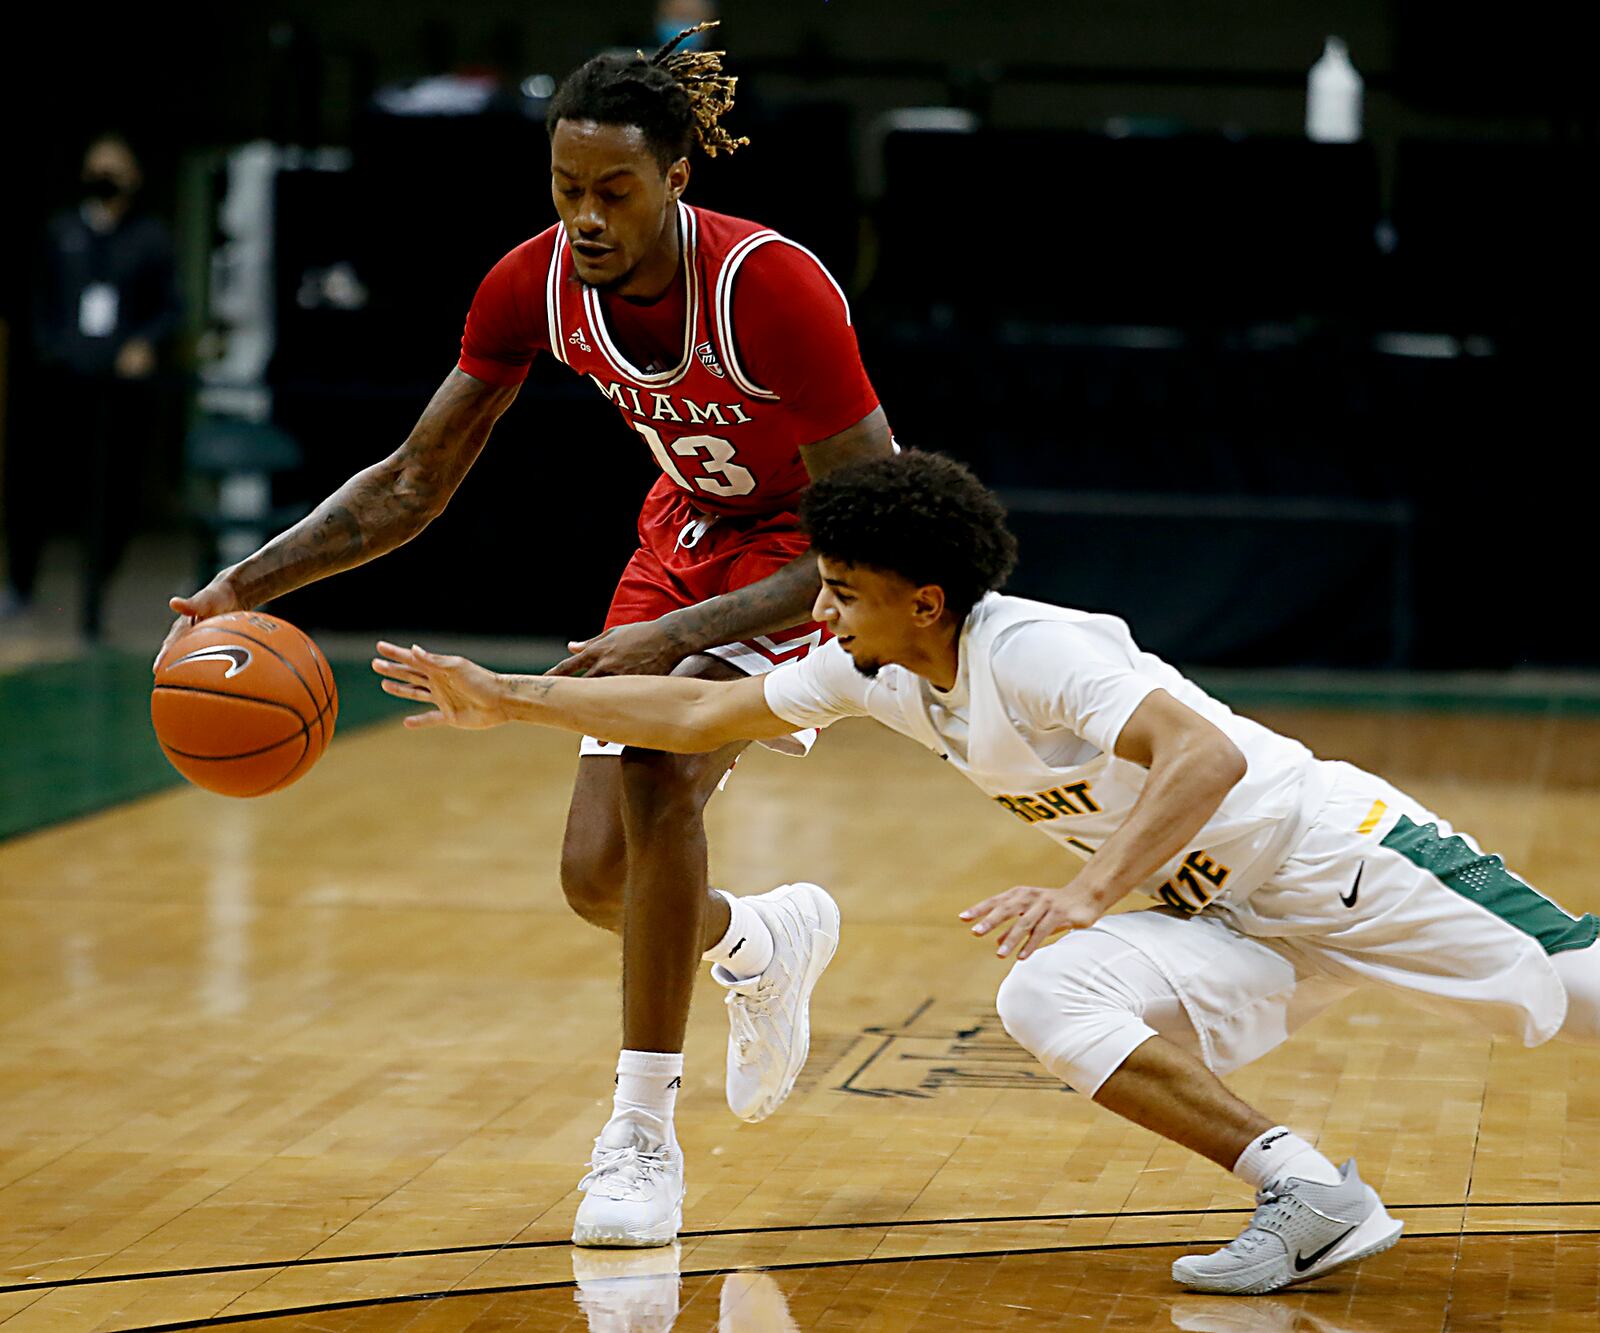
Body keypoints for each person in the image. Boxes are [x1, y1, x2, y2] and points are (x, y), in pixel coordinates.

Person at [372, 450, 1600, 1295]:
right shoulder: (880, 669)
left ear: (926, 597)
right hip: (1226, 913)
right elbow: (709, 716)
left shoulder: (1040, 649)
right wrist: (514, 696)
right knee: (1046, 998)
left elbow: (1203, 755)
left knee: (1582, 992)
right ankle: (1306, 1192)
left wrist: (1081, 892)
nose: (828, 615)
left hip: (1336, 858)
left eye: (845, 594)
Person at [159, 23, 893, 1248]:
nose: (587, 218)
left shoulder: (770, 285)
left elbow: (872, 531)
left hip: (803, 560)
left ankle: (641, 1137)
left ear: (675, 180)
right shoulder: (533, 284)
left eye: (614, 191)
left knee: (661, 776)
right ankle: (758, 940)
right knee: (596, 877)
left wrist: (674, 643)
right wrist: (250, 580)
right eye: (566, 190)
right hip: (681, 540)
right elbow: (411, 483)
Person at [2, 132, 180, 634]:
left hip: (119, 388)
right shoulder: (61, 232)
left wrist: (143, 343)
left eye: (115, 169)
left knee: (114, 491)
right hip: (63, 381)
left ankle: (96, 592)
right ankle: (21, 583)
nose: (105, 178)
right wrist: (50, 352)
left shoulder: (151, 238)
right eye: (96, 167)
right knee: (34, 483)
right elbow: (37, 303)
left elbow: (171, 308)